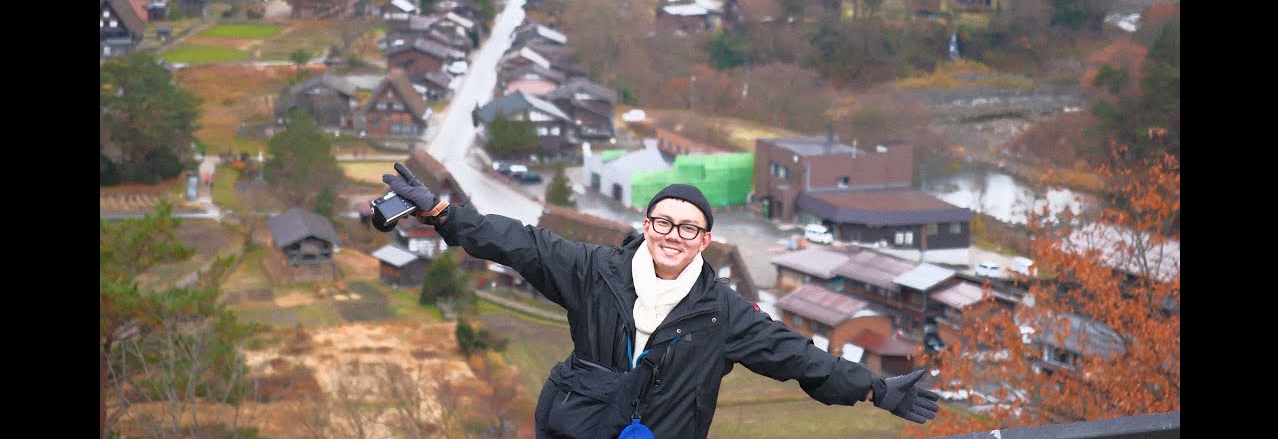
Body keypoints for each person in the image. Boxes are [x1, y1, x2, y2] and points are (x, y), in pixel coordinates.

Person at [378, 162, 940, 439]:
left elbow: (796, 356)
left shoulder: (722, 311)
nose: (673, 235)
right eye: (663, 222)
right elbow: (522, 245)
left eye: (687, 228)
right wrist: (442, 215)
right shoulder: (597, 271)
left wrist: (872, 387)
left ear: (704, 241)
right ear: (646, 226)